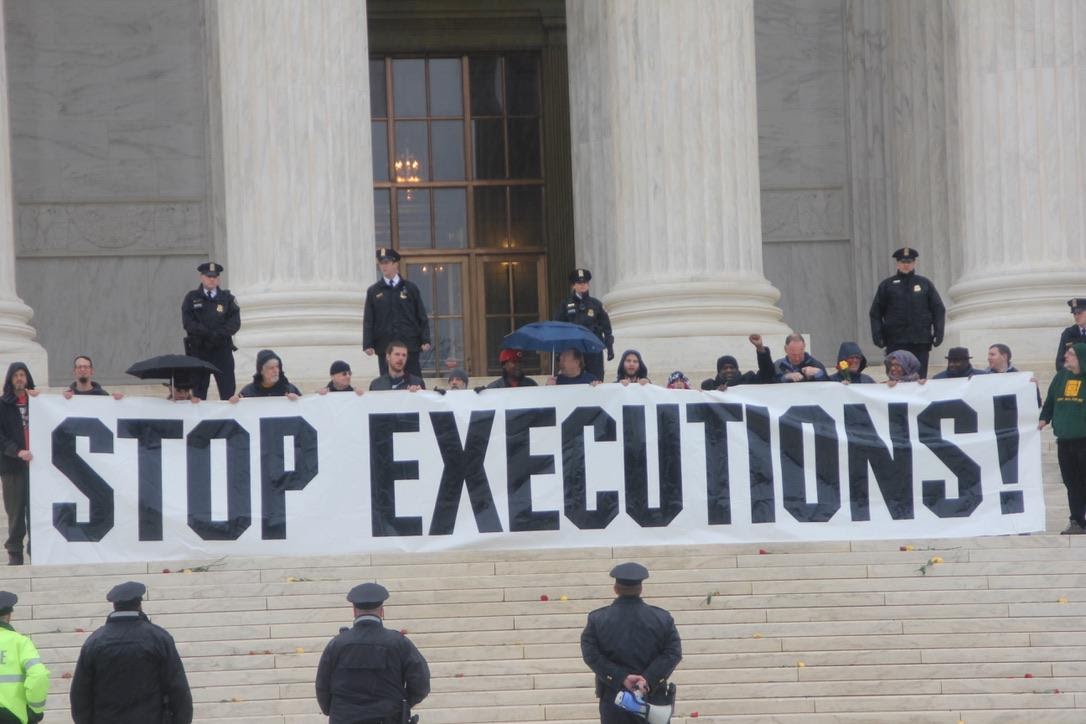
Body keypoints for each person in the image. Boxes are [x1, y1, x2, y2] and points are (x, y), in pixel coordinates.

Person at [70, 581, 192, 724]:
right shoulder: (159, 638)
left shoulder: (94, 642)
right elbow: (178, 688)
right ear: (139, 605)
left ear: (115, 606)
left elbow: (80, 694)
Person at [581, 562, 682, 724]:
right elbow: (673, 653)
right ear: (640, 589)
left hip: (615, 698)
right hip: (652, 698)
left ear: (615, 589)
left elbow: (591, 655)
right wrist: (647, 679)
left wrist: (621, 677)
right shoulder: (662, 618)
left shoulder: (597, 619)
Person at [316, 582, 430, 724]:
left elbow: (322, 685)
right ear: (382, 611)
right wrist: (401, 704)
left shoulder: (337, 644)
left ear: (354, 611)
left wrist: (333, 710)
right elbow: (421, 683)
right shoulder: (399, 643)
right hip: (388, 718)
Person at [869, 247, 946, 378]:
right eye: (903, 262)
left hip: (920, 340)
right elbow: (875, 312)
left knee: (919, 379)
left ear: (914, 263)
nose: (906, 265)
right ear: (897, 263)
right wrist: (878, 335)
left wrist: (939, 332)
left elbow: (938, 309)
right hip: (896, 341)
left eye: (909, 262)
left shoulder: (924, 284)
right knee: (896, 379)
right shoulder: (887, 285)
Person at [363, 248, 432, 379]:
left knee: (413, 382)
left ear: (396, 264)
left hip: (409, 345)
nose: (384, 266)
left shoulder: (410, 288)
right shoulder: (374, 291)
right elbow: (369, 319)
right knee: (388, 384)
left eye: (387, 262)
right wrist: (368, 343)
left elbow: (421, 315)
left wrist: (425, 339)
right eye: (381, 263)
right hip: (385, 346)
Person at [1039, 344, 1086, 534]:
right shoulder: (1061, 376)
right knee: (1071, 482)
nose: (1066, 356)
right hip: (1065, 441)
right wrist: (1044, 418)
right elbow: (1050, 400)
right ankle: (1076, 520)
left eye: (1071, 354)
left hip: (1084, 439)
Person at [181, 261, 241, 400]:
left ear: (218, 279)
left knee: (228, 393)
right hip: (200, 350)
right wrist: (207, 334)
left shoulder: (227, 299)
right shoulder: (191, 298)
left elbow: (234, 323)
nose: (212, 279)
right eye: (208, 276)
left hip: (222, 350)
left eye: (215, 276)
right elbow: (188, 323)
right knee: (199, 394)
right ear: (202, 277)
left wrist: (218, 334)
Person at [0, 364, 36, 566]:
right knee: (15, 511)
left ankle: (36, 548)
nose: (19, 378)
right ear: (10, 379)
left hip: (37, 467)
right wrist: (16, 451)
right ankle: (15, 551)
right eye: (16, 375)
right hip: (13, 466)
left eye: (22, 374)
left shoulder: (37, 402)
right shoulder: (3, 404)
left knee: (36, 510)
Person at [555, 268, 614, 381]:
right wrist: (559, 352)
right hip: (574, 349)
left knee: (596, 380)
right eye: (579, 283)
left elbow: (607, 327)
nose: (583, 285)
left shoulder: (596, 304)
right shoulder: (565, 304)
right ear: (574, 285)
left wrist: (610, 348)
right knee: (574, 379)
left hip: (593, 348)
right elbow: (559, 327)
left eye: (585, 283)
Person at [0, 591, 49, 724]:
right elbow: (39, 676)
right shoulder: (20, 642)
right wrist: (36, 710)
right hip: (12, 716)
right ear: (9, 615)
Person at [700, 335, 775, 390]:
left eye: (732, 367)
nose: (728, 370)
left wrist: (760, 348)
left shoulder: (749, 380)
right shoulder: (710, 386)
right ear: (719, 371)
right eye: (724, 368)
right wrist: (716, 392)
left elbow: (767, 374)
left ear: (737, 369)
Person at [231, 349, 301, 401]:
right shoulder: (249, 391)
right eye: (271, 368)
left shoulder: (289, 389)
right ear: (261, 371)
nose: (276, 371)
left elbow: (304, 408)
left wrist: (297, 400)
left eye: (277, 367)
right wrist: (235, 401)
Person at [1055, 298, 1086, 371]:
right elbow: (1059, 363)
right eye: (1074, 314)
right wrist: (1072, 372)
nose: (1076, 316)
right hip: (1072, 378)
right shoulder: (1068, 333)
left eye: (1079, 313)